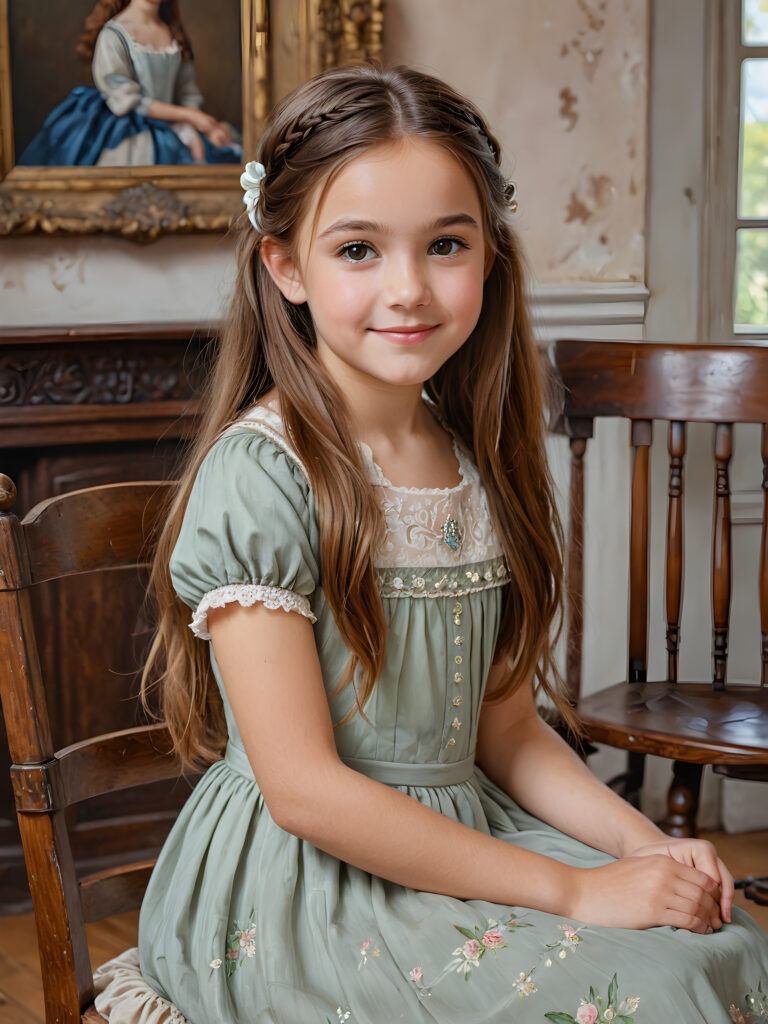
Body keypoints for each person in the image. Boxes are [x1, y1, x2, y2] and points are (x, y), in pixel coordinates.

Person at [93, 63, 768, 1023]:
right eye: (358, 249)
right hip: (302, 886)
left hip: (461, 838)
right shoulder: (264, 476)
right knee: (633, 997)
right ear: (285, 265)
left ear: (489, 254)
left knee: (722, 941)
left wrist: (637, 847)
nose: (407, 289)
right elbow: (307, 795)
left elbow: (507, 730)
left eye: (445, 244)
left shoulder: (470, 460)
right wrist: (575, 891)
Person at [18, 0, 240, 167]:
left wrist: (204, 126)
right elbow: (129, 101)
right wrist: (191, 117)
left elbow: (187, 92)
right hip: (128, 126)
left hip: (175, 119)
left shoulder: (173, 32)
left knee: (222, 150)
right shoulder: (114, 34)